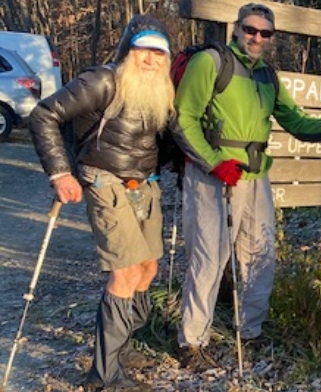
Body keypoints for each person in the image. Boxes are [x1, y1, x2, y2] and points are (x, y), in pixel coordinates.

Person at [172, 3, 321, 371]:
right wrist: (213, 161)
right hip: (213, 177)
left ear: (271, 37)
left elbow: (295, 121)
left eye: (265, 33)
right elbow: (182, 119)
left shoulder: (267, 76)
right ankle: (191, 343)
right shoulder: (211, 62)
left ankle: (250, 330)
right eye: (251, 30)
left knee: (259, 257)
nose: (257, 37)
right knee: (209, 260)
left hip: (256, 178)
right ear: (237, 29)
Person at [29, 15, 173, 391]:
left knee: (146, 268)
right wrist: (60, 173)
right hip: (104, 182)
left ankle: (121, 348)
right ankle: (104, 376)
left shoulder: (163, 89)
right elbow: (44, 114)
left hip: (145, 184)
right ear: (129, 49)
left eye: (159, 53)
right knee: (124, 272)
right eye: (144, 49)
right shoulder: (103, 80)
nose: (151, 59)